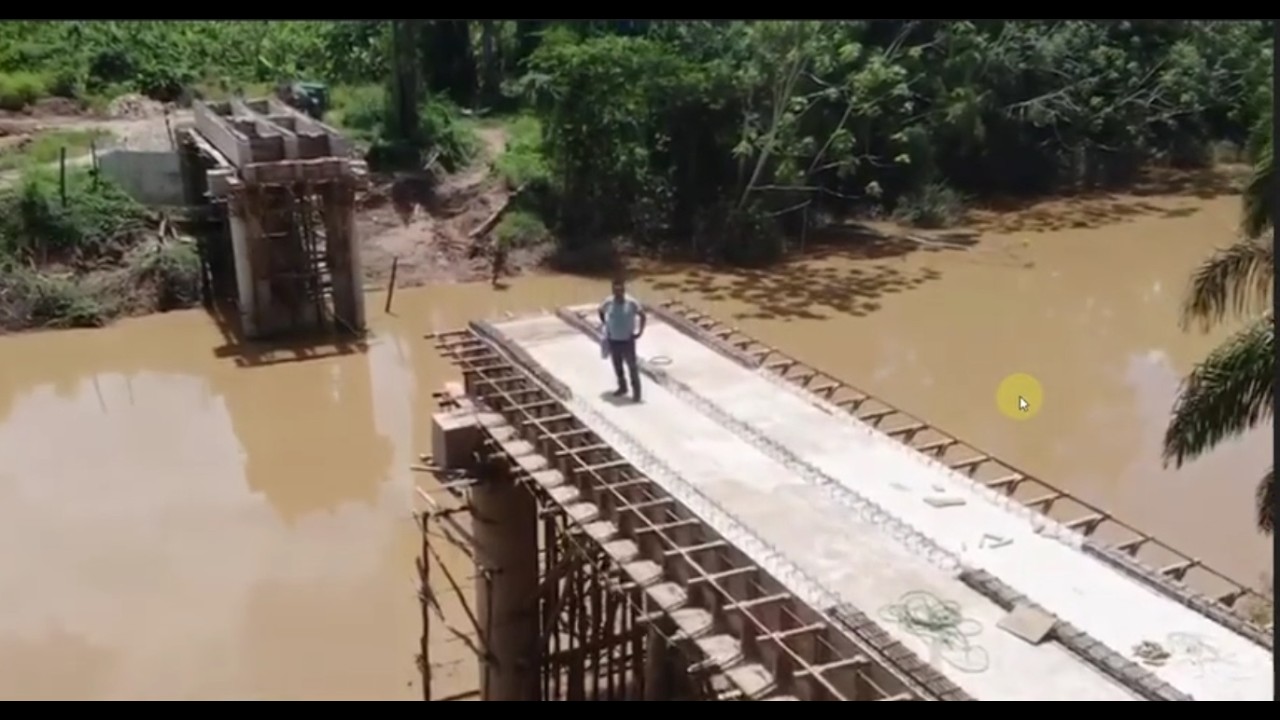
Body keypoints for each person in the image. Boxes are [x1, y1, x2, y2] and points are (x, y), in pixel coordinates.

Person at [598, 278, 646, 402]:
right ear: (613, 290)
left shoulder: (631, 302)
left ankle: (637, 393)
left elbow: (642, 315)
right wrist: (605, 324)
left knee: (632, 367)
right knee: (617, 366)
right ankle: (622, 387)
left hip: (628, 340)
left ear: (624, 290)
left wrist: (640, 332)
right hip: (614, 340)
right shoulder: (608, 302)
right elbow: (600, 311)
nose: (618, 292)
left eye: (620, 289)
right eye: (615, 289)